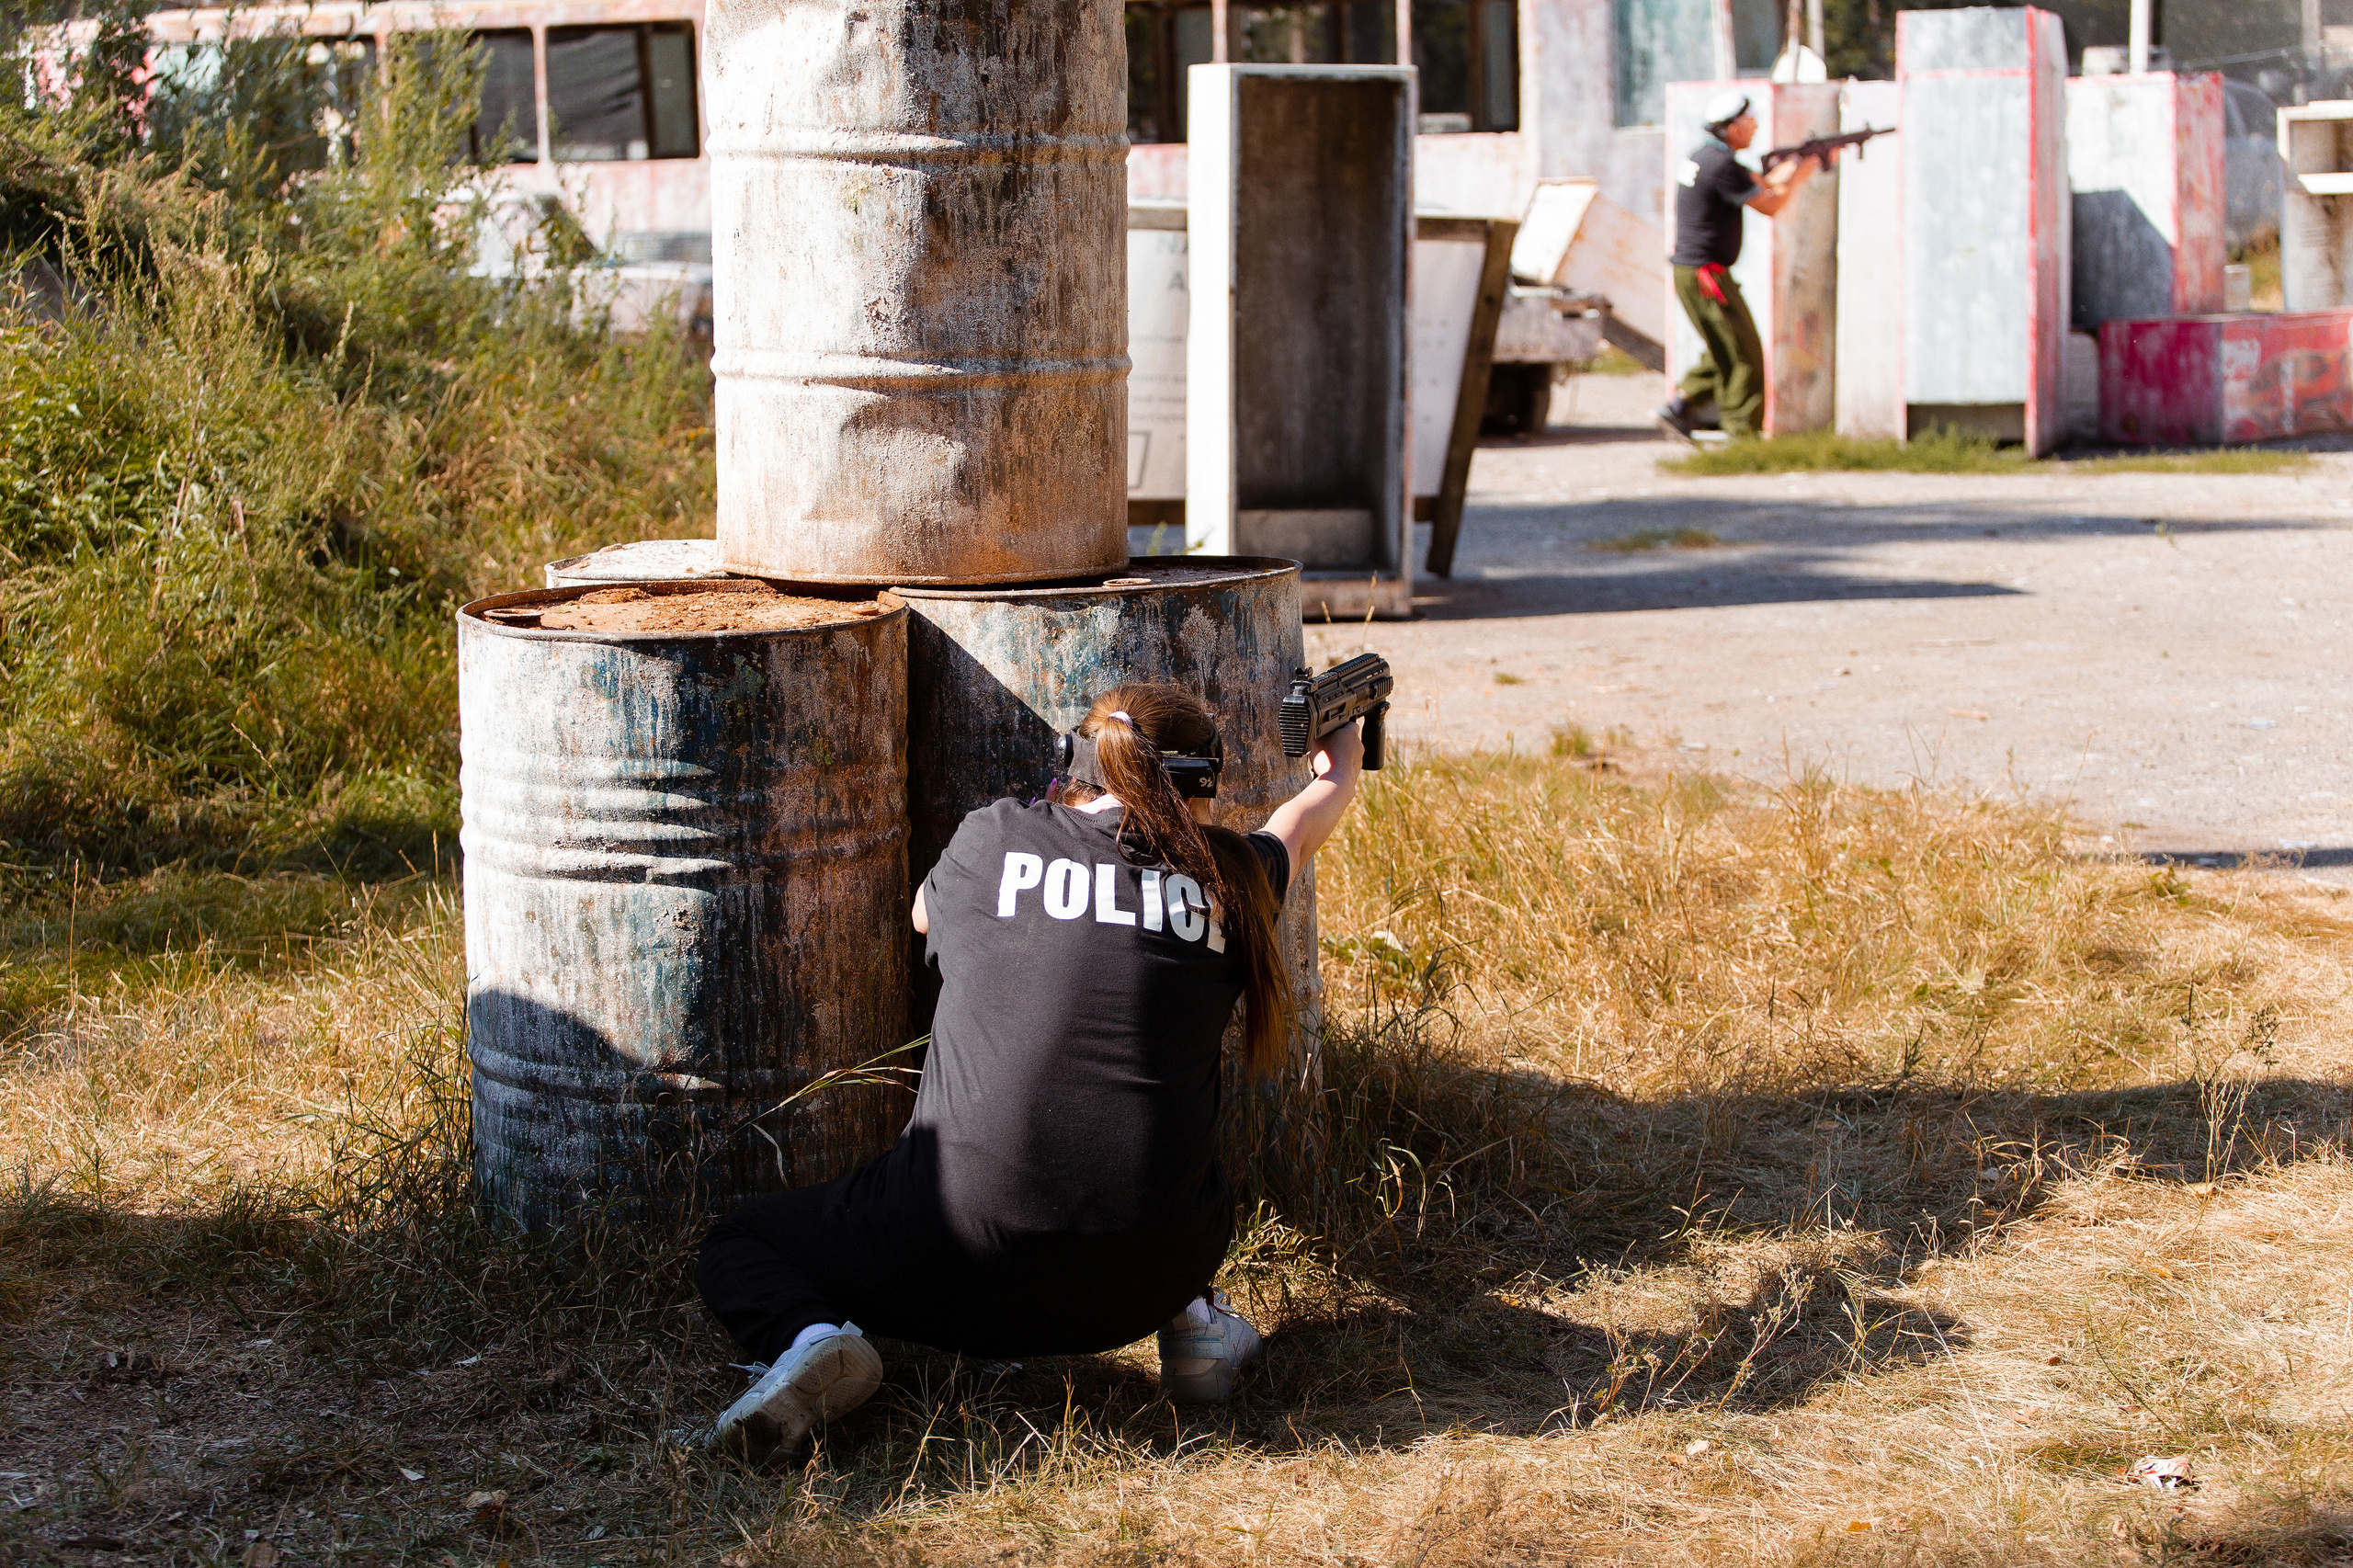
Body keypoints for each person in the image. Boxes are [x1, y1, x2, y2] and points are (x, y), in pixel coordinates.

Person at [695, 681, 1366, 1463]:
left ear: (1075, 766)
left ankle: (813, 1339)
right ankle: (1194, 1325)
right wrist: (1337, 770)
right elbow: (1298, 829)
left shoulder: (994, 838)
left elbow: (921, 913)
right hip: (1149, 1274)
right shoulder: (1233, 881)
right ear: (1201, 790)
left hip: (948, 1263)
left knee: (739, 1243)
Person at [1655, 89, 1841, 444]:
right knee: (1745, 356)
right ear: (1732, 128)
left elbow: (1762, 183)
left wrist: (1797, 160)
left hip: (1697, 273)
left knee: (1727, 346)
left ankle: (1679, 407)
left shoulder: (1708, 158)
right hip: (1705, 275)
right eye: (1749, 121)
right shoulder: (1722, 166)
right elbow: (1770, 204)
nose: (1755, 127)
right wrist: (1804, 171)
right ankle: (1743, 437)